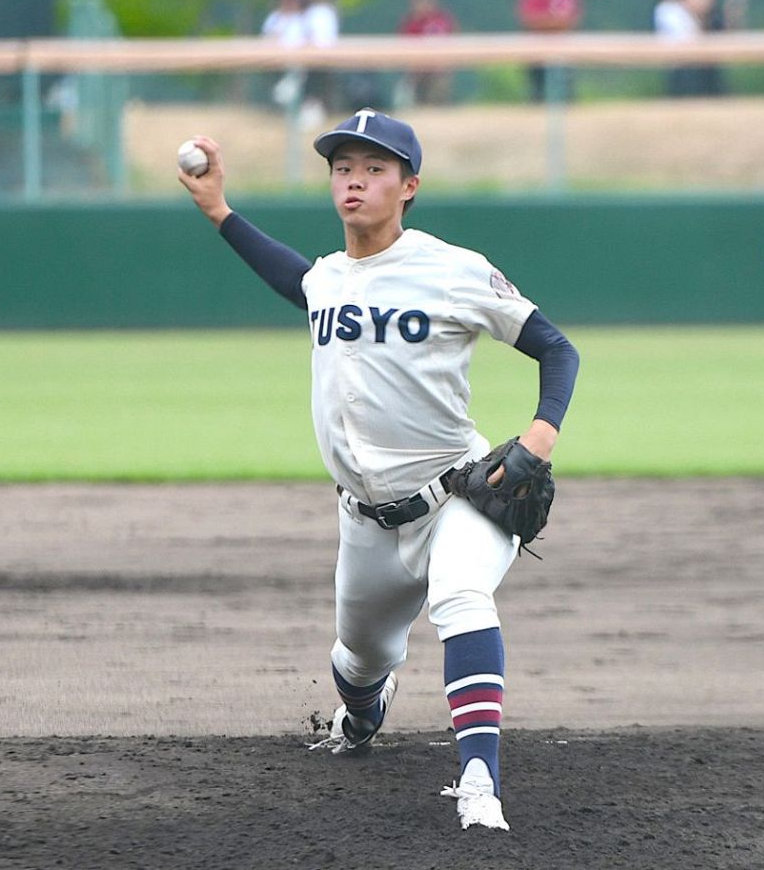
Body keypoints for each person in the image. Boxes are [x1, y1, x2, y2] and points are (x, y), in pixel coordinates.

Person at [176, 108, 579, 831]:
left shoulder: (452, 269)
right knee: (360, 660)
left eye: (373, 169)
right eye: (343, 168)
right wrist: (221, 213)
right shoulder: (328, 279)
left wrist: (541, 435)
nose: (354, 181)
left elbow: (557, 348)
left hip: (460, 495)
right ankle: (364, 716)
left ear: (409, 185)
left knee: (460, 599)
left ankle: (479, 778)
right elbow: (295, 281)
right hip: (364, 518)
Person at [515, 0, 583, 103]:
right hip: (536, 53)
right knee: (537, 93)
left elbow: (570, 22)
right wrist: (553, 22)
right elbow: (528, 22)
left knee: (566, 94)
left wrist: (544, 22)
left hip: (564, 52)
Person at [396, 0, 459, 106]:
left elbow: (451, 43)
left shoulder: (442, 20)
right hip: (417, 74)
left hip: (438, 73)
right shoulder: (410, 23)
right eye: (417, 0)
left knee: (438, 104)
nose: (421, 3)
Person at [262, 0, 308, 109]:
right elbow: (267, 37)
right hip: (275, 59)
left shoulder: (301, 19)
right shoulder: (275, 18)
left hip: (299, 59)